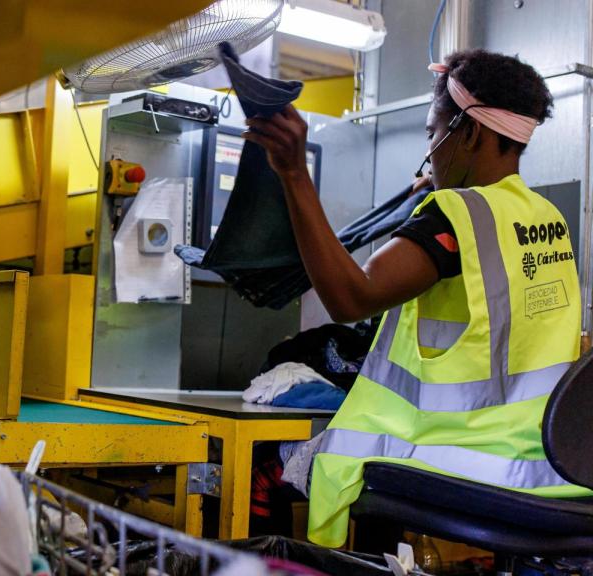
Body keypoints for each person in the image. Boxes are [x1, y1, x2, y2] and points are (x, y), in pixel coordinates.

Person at [242, 49, 590, 548]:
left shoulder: (454, 218)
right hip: (545, 464)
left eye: (432, 134)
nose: (430, 151)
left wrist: (295, 175)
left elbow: (350, 297)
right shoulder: (545, 217)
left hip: (461, 458)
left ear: (466, 132)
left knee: (288, 461)